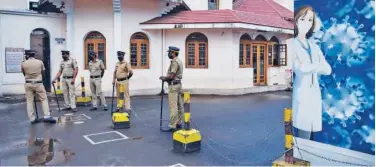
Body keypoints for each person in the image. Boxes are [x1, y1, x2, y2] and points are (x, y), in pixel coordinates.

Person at [290, 5, 332, 140]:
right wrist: (317, 66)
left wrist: (311, 66)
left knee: (311, 128)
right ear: (296, 21)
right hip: (301, 91)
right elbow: (299, 69)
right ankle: (300, 155)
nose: (306, 24)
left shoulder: (314, 46)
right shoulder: (291, 44)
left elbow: (328, 69)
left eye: (310, 20)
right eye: (302, 19)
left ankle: (306, 154)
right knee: (302, 126)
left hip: (314, 92)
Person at [21, 50, 55, 124]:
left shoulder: (23, 63)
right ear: (34, 55)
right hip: (38, 83)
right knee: (43, 99)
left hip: (28, 83)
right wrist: (42, 79)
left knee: (29, 101)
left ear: (27, 55)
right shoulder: (40, 62)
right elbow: (43, 72)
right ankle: (47, 116)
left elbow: (24, 73)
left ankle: (32, 118)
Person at [159, 46, 184, 132]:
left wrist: (164, 78)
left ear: (173, 53)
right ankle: (179, 122)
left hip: (173, 86)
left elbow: (172, 76)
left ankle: (173, 125)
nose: (168, 54)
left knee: (173, 106)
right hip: (178, 85)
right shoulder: (179, 60)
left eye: (169, 52)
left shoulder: (175, 62)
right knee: (179, 105)